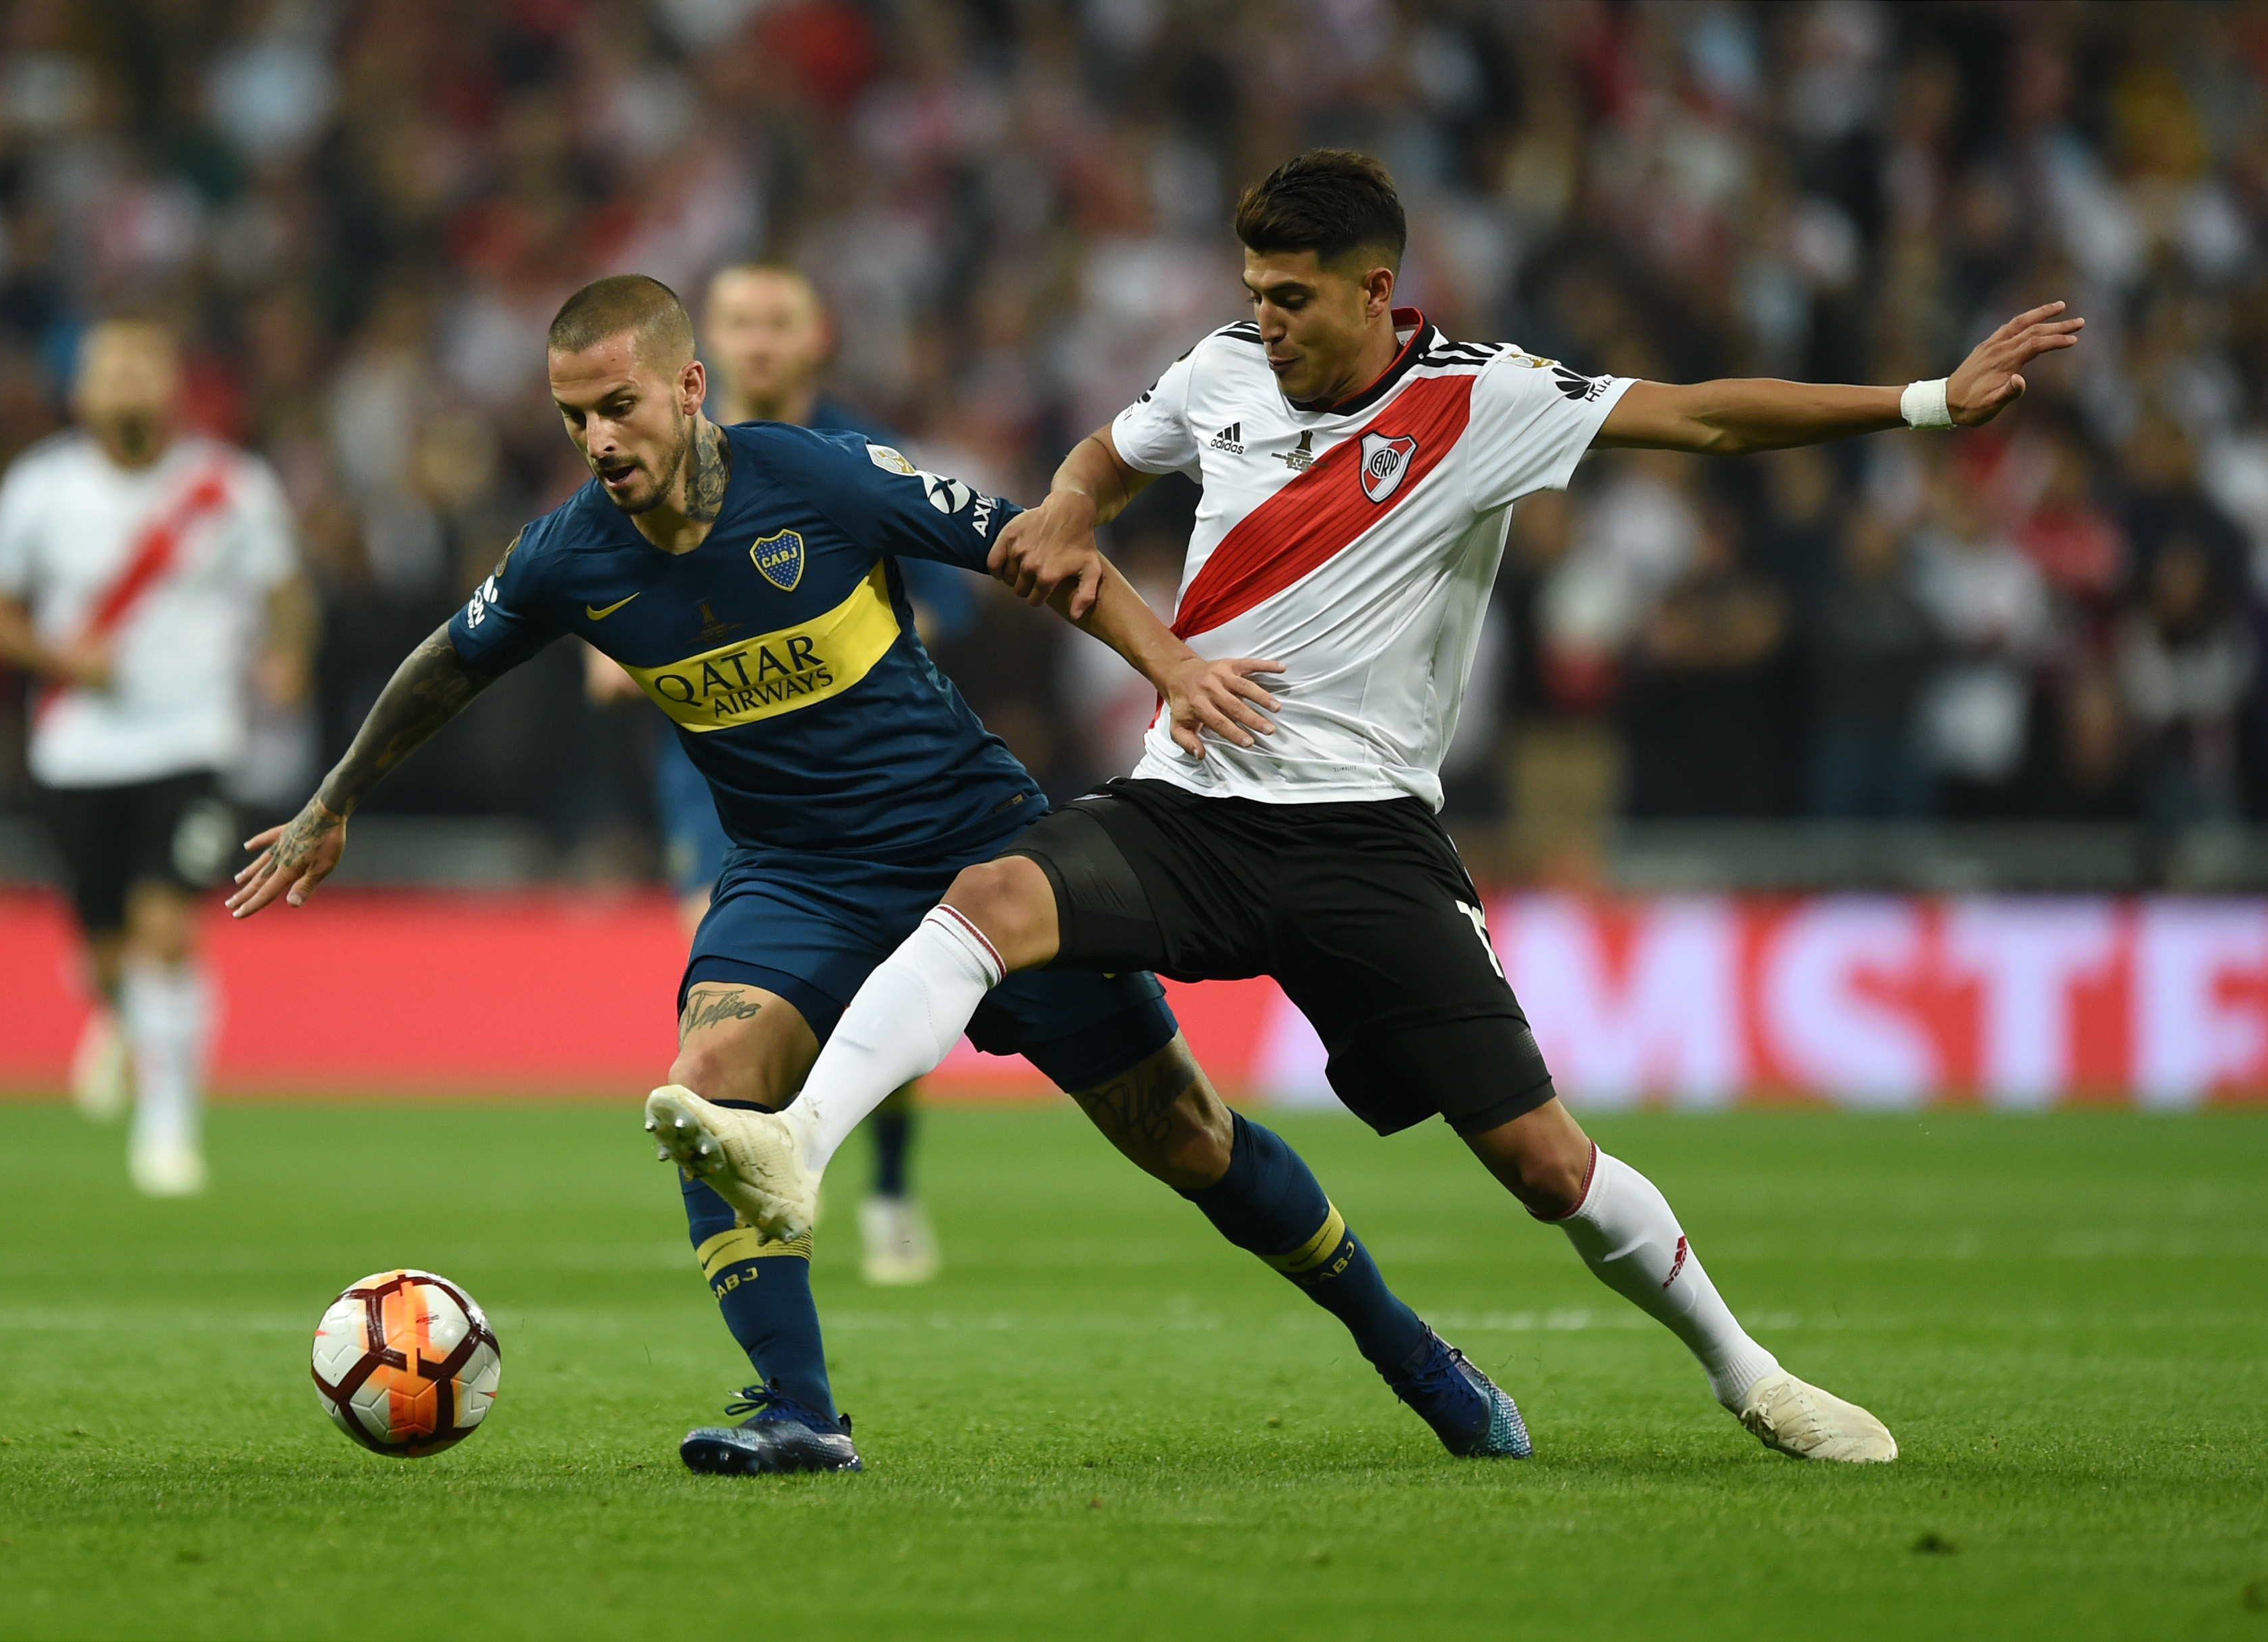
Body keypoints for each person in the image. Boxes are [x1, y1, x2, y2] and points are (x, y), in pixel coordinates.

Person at [650, 150, 2085, 1465]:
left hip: (1365, 842)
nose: (1262, 322)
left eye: (1289, 297)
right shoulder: (1219, 368)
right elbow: (1109, 448)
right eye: (1252, 294)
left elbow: (1703, 421)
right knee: (992, 898)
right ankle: (802, 1150)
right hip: (1194, 806)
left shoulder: (1484, 401)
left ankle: (1748, 1373)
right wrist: (1077, 502)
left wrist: (1926, 403)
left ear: (1375, 291)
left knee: (1543, 1163)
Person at [229, 276, 1522, 1476]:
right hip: (797, 876)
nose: (598, 442)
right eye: (573, 418)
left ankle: (1409, 1348)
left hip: (979, 855)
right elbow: (445, 662)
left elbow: (1035, 548)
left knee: (1183, 1134)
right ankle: (799, 1411)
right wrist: (333, 801)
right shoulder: (569, 554)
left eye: (618, 407)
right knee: (706, 1091)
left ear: (688, 390)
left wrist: (1171, 667)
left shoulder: (822, 480)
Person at [583, 261, 966, 1286]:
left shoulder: (850, 456)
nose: (757, 341)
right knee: (732, 1000)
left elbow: (942, 602)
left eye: (775, 322)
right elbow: (591, 620)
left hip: (861, 784)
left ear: (816, 335)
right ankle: (775, 1192)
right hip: (713, 789)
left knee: (878, 990)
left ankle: (882, 1184)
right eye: (737, 323)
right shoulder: (644, 459)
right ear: (698, 354)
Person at [0, 319, 311, 1197]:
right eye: (108, 370)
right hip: (79, 751)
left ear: (173, 385)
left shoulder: (231, 486)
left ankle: (168, 1129)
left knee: (166, 927)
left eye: (142, 368)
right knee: (105, 949)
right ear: (80, 391)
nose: (126, 386)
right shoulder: (39, 489)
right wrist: (60, 658)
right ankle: (118, 1017)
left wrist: (287, 652)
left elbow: (286, 594)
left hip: (194, 742)